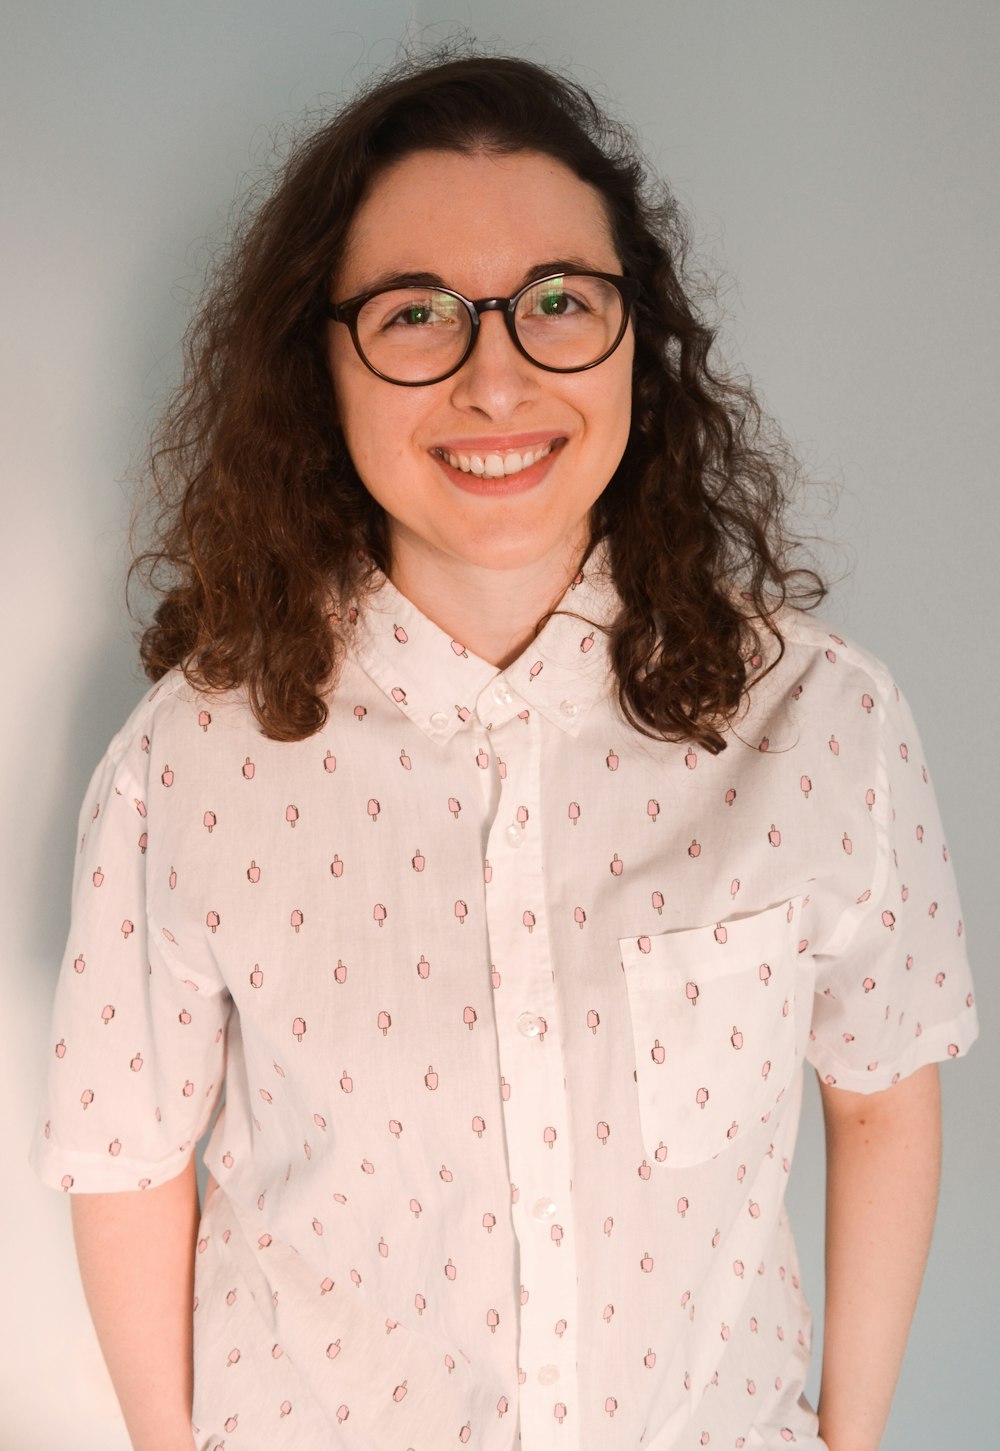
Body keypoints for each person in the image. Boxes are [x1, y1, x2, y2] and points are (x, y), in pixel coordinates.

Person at [30, 49, 978, 1451]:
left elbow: (887, 1093)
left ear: (634, 342)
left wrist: (851, 1438)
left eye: (556, 305)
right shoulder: (191, 766)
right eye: (417, 315)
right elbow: (127, 1161)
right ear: (321, 363)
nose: (496, 379)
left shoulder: (823, 722)